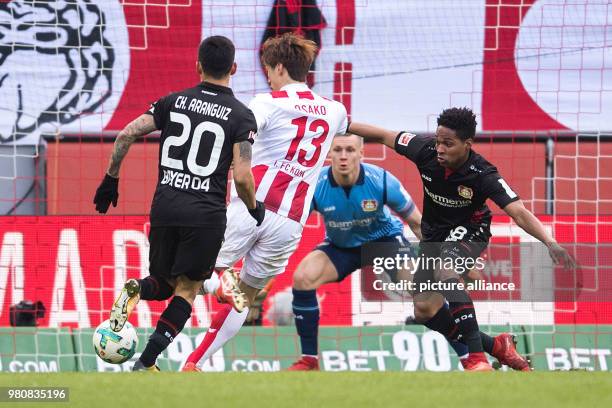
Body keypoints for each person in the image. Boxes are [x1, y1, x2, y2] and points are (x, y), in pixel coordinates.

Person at [348, 107, 574, 371]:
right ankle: (498, 346)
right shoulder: (425, 151)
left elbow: (519, 212)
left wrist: (550, 242)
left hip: (471, 229)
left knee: (446, 269)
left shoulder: (483, 173)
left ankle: (477, 358)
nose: (440, 148)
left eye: (448, 143)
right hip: (434, 235)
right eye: (438, 141)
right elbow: (384, 134)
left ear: (467, 144)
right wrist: (343, 123)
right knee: (424, 310)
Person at [93, 36, 264, 371]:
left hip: (165, 208)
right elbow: (243, 176)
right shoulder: (242, 117)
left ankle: (137, 287)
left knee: (162, 284)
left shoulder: (172, 101)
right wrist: (254, 207)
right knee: (187, 289)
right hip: (206, 215)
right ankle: (145, 362)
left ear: (198, 65)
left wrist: (111, 177)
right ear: (233, 68)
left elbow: (127, 133)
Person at [181, 32, 349, 372]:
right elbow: (350, 127)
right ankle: (193, 364)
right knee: (246, 297)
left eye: (269, 70)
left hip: (251, 207)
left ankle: (219, 284)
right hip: (291, 222)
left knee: (188, 272)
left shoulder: (267, 103)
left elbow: (238, 136)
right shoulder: (335, 111)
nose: (268, 76)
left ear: (281, 67)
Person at [286, 134, 422, 370]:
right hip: (342, 247)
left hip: (384, 242)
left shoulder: (381, 180)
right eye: (337, 150)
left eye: (350, 150)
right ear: (329, 153)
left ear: (361, 153)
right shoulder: (314, 184)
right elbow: (290, 227)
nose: (343, 156)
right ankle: (309, 360)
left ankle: (470, 355)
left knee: (422, 291)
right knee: (302, 277)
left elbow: (418, 223)